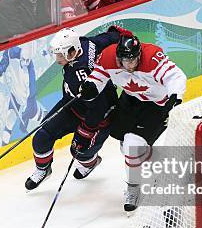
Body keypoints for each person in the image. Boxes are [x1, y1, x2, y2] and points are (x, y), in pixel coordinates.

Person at [80, 27, 186, 211]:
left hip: (156, 105)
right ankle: (156, 163)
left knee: (131, 145)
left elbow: (175, 76)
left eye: (133, 60)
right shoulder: (108, 56)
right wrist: (90, 86)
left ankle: (133, 187)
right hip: (130, 100)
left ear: (139, 54)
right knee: (126, 147)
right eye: (124, 61)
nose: (128, 65)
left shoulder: (152, 58)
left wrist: (175, 97)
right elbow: (99, 76)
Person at [25, 27, 119, 190]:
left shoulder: (80, 73)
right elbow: (109, 38)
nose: (57, 59)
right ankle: (43, 169)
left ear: (73, 51)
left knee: (79, 152)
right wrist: (120, 35)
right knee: (41, 137)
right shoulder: (85, 43)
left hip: (100, 117)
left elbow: (99, 107)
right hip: (74, 105)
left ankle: (90, 163)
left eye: (60, 55)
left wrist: (86, 131)